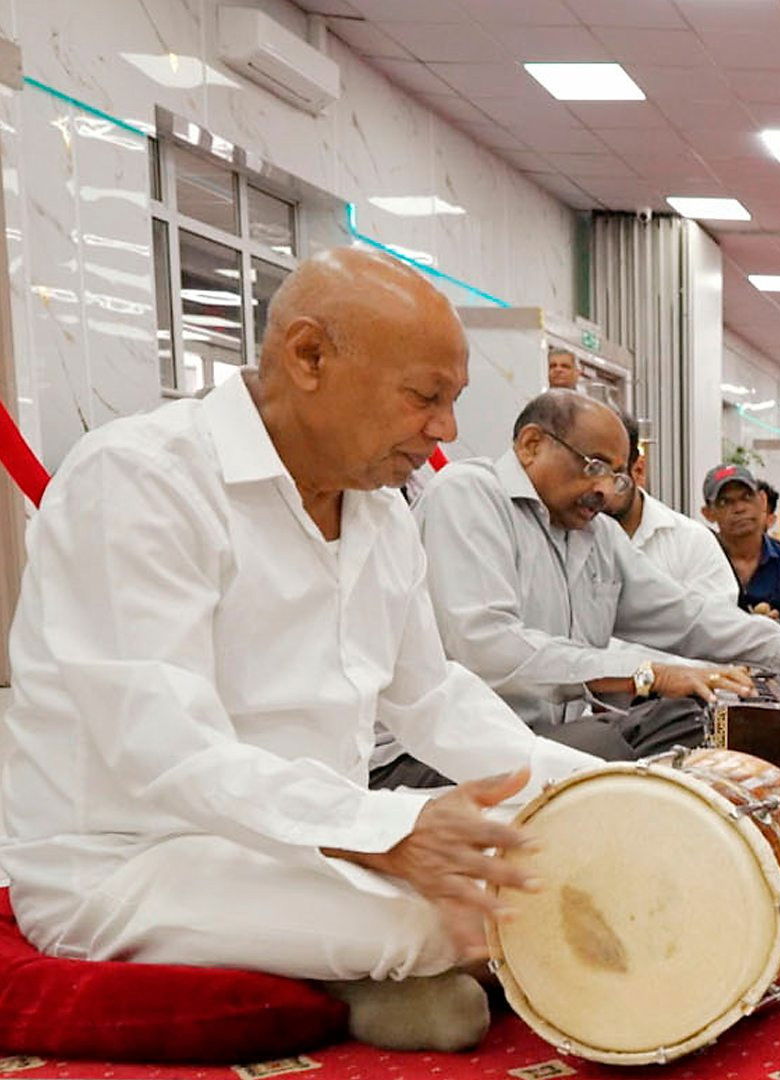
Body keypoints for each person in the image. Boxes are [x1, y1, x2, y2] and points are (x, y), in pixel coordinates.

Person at [0, 249, 605, 1050]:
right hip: (128, 861)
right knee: (466, 914)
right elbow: (164, 749)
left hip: (313, 839)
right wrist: (385, 829)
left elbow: (430, 697)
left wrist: (609, 792)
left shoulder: (381, 512)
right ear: (309, 355)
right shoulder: (140, 478)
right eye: (427, 397)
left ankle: (360, 977)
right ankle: (372, 974)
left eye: (452, 402)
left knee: (555, 862)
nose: (446, 432)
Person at [410, 390, 780, 779]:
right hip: (460, 742)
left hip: (558, 734)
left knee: (701, 719)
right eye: (594, 466)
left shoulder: (595, 532)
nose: (604, 489)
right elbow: (488, 649)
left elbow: (689, 617)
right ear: (531, 444)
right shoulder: (469, 495)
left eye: (618, 475)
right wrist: (645, 673)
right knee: (635, 744)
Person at [608, 415, 735, 603]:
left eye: (612, 475)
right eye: (589, 471)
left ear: (639, 470)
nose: (598, 487)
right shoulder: (569, 538)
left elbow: (715, 621)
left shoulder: (691, 542)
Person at [705, 464, 780, 630]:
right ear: (708, 513)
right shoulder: (698, 564)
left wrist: (776, 633)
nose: (739, 508)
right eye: (725, 502)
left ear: (762, 501)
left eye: (746, 497)